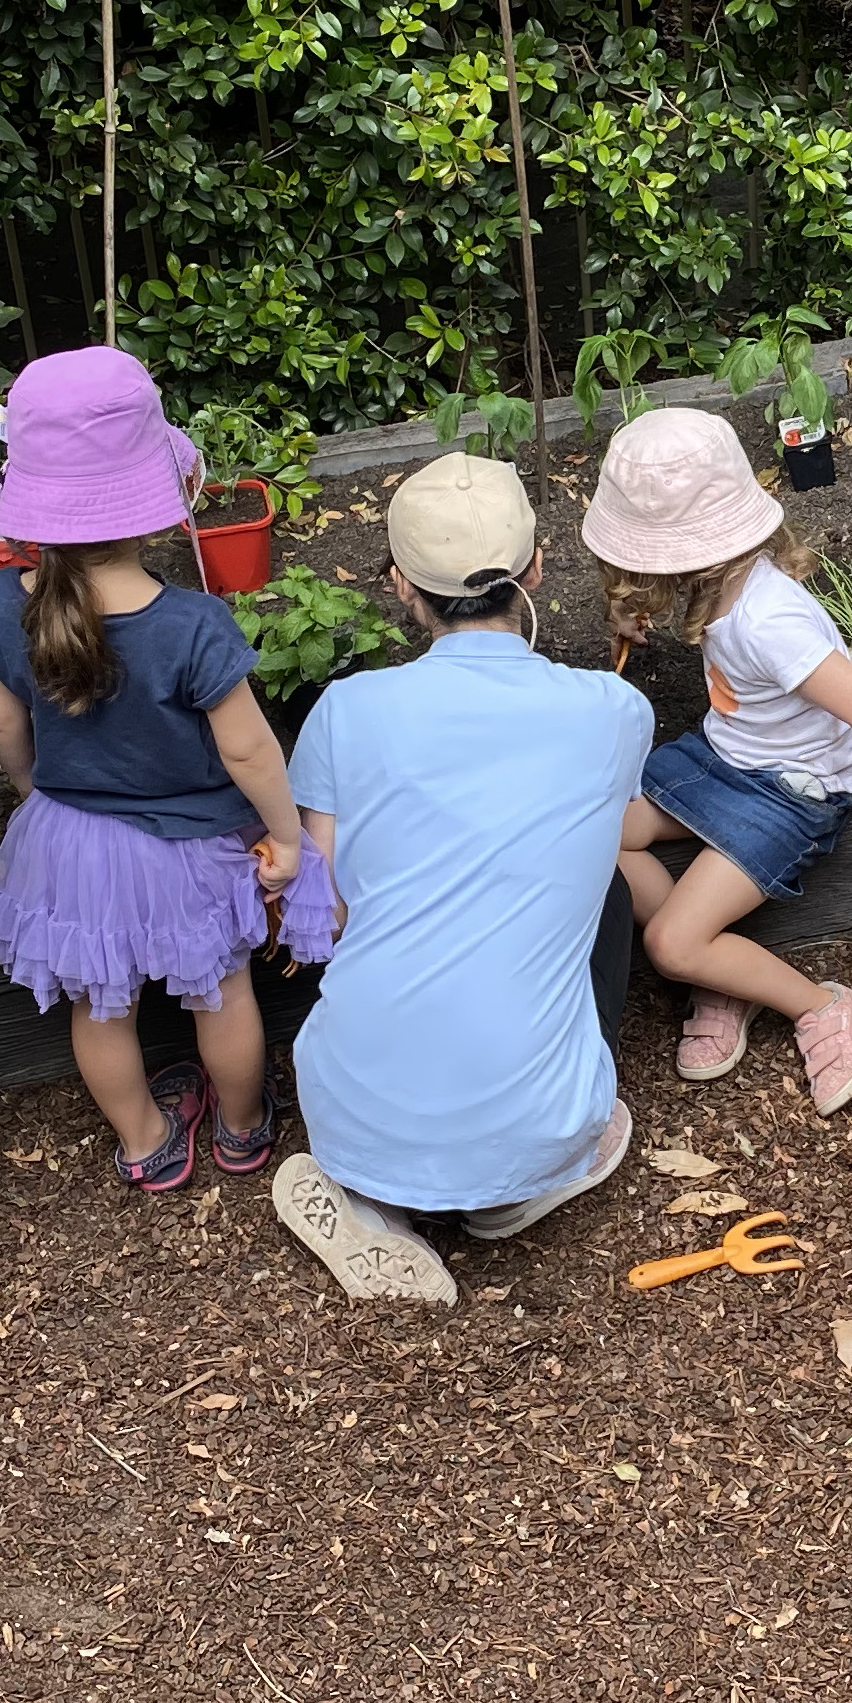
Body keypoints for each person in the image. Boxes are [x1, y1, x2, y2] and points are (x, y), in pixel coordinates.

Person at [275, 453, 651, 1305]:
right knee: (613, 894)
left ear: (402, 586)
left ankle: (372, 1201)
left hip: (353, 1116)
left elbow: (324, 907)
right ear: (537, 571)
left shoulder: (347, 709)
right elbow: (599, 838)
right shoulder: (615, 709)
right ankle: (515, 1189)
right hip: (540, 1131)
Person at [0, 349, 301, 1193]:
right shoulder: (193, 625)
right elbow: (250, 750)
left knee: (98, 1003)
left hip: (70, 839)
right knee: (222, 992)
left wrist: (33, 793)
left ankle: (147, 1141)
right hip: (189, 847)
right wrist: (288, 839)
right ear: (155, 505)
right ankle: (243, 1127)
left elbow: (2, 721)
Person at [581, 405, 852, 1109]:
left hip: (792, 790)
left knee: (672, 947)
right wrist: (627, 610)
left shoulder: (770, 623)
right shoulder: (718, 579)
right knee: (599, 833)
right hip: (729, 759)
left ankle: (819, 1005)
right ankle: (724, 973)